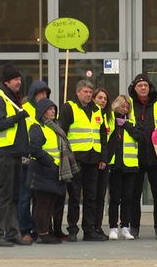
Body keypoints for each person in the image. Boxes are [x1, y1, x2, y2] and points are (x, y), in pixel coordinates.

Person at [58, 80, 108, 242]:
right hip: (75, 159)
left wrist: (103, 158)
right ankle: (72, 229)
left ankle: (89, 229)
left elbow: (102, 135)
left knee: (91, 196)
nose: (88, 95)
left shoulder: (97, 110)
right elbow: (62, 132)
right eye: (85, 92)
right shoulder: (69, 107)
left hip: (93, 158)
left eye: (89, 92)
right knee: (74, 196)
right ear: (78, 92)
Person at [0, 63, 31, 247]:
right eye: (15, 79)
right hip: (2, 152)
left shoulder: (13, 98)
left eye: (20, 79)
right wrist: (18, 117)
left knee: (13, 195)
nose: (19, 82)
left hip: (13, 153)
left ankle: (12, 233)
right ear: (7, 81)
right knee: (5, 195)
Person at [128, 73, 157, 239]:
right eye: (139, 85)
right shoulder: (129, 104)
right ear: (134, 88)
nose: (142, 88)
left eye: (145, 85)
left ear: (150, 88)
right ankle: (134, 228)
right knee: (135, 194)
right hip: (134, 155)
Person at [28, 98, 78, 244]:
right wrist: (50, 162)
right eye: (49, 109)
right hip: (43, 169)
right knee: (42, 204)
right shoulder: (38, 127)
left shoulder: (55, 126)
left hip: (54, 170)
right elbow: (35, 148)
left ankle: (47, 231)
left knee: (49, 203)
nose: (53, 111)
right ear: (42, 112)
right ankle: (42, 233)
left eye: (54, 109)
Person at [107, 95, 143, 240]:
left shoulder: (132, 121)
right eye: (122, 106)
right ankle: (113, 227)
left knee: (128, 197)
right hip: (115, 164)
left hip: (130, 164)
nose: (125, 109)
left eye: (127, 107)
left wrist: (126, 125)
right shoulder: (110, 120)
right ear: (116, 106)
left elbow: (141, 137)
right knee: (115, 198)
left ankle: (125, 227)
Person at [19, 80, 51, 243]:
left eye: (46, 93)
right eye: (41, 93)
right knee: (25, 197)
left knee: (39, 200)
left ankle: (36, 229)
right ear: (33, 94)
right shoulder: (25, 110)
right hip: (27, 159)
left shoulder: (45, 109)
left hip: (41, 160)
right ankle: (24, 230)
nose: (44, 96)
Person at [92, 87, 114, 240]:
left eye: (105, 99)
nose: (102, 101)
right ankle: (90, 225)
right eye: (99, 98)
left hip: (106, 161)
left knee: (101, 195)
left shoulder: (109, 116)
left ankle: (98, 226)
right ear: (94, 99)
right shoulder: (92, 114)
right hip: (92, 159)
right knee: (91, 195)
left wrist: (105, 159)